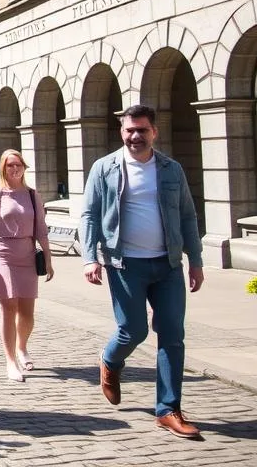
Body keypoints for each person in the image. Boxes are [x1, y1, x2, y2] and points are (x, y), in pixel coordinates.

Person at [82, 105, 205, 440]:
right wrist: (89, 258)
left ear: (155, 132)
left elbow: (188, 216)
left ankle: (168, 410)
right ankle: (110, 360)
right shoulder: (104, 168)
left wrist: (195, 259)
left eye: (142, 130)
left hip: (167, 264)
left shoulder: (171, 169)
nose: (135, 136)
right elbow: (90, 215)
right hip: (125, 264)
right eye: (129, 130)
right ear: (122, 133)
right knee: (132, 331)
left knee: (172, 335)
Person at [0, 150, 53, 382]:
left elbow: (40, 227)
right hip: (1, 253)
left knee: (27, 313)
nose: (15, 169)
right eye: (10, 165)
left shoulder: (31, 195)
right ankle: (10, 361)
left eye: (19, 164)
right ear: (3, 168)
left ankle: (22, 347)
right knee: (8, 307)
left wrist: (48, 257)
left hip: (27, 253)